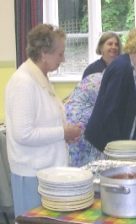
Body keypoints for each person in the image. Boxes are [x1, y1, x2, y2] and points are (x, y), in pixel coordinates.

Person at [5, 24, 81, 217]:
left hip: (47, 170)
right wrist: (63, 132)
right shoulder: (24, 82)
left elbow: (46, 122)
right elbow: (23, 134)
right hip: (32, 173)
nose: (63, 59)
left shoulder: (40, 78)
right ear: (43, 53)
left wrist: (64, 134)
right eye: (60, 54)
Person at [85, 26, 136, 151]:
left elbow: (126, 108)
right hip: (105, 142)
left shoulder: (129, 67)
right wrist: (120, 148)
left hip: (115, 140)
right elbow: (110, 112)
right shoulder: (122, 68)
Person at [65, 32, 122, 167]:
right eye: (109, 44)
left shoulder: (120, 68)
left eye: (116, 44)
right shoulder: (93, 70)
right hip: (86, 127)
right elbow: (109, 106)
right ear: (101, 48)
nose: (114, 47)